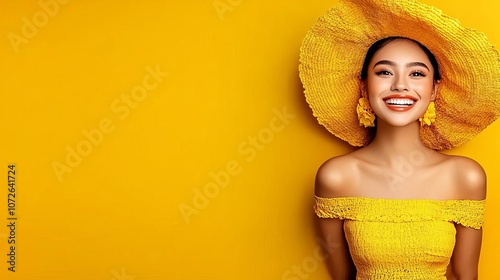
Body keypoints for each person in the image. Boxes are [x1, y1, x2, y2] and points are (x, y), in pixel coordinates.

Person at [298, 0, 500, 279]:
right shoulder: (336, 177)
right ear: (364, 86)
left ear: (433, 90)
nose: (400, 85)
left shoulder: (466, 176)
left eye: (417, 73)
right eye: (384, 72)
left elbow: (466, 276)